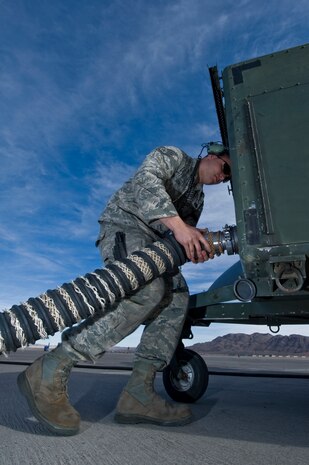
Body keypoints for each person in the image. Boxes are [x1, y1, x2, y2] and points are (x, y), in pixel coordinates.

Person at [17, 143, 231, 435]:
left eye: (228, 178)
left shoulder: (197, 200)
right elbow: (147, 180)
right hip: (125, 225)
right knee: (146, 289)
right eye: (225, 168)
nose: (224, 177)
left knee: (176, 296)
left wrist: (195, 246)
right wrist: (181, 228)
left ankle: (138, 394)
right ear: (212, 155)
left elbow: (179, 242)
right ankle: (50, 369)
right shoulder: (175, 157)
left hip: (156, 248)